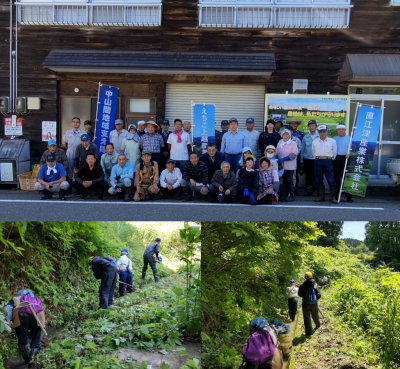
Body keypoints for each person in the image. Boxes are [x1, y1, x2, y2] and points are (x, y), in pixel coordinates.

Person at [3, 289, 45, 365]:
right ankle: (31, 362)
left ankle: (26, 361)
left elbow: (7, 309)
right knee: (36, 341)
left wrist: (9, 320)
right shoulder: (34, 299)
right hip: (38, 316)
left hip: (21, 316)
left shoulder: (15, 299)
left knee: (23, 341)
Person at [312, 124, 338, 204]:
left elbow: (334, 153)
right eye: (321, 132)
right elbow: (313, 152)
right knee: (318, 179)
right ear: (318, 133)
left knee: (330, 179)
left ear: (327, 132)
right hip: (318, 161)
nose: (322, 133)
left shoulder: (332, 141)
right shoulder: (315, 141)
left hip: (328, 161)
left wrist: (329, 159)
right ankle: (321, 196)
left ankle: (332, 197)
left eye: (324, 132)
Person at [276, 129, 298, 202]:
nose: (285, 136)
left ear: (290, 135)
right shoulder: (280, 143)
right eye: (284, 135)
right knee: (282, 180)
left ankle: (292, 195)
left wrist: (284, 159)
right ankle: (283, 195)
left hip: (290, 165)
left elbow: (294, 154)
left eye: (287, 134)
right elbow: (276, 152)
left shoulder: (293, 143)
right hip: (281, 166)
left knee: (289, 179)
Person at [333, 124, 353, 202]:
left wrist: (350, 153)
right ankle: (336, 195)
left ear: (345, 130)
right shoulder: (334, 139)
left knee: (347, 178)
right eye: (339, 129)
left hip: (346, 159)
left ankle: (349, 196)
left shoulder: (350, 139)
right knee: (336, 178)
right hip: (336, 159)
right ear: (337, 130)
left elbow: (354, 149)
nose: (341, 130)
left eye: (342, 129)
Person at [300, 120, 319, 196]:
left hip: (316, 159)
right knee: (308, 176)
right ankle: (309, 191)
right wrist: (301, 161)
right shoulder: (305, 137)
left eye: (313, 125)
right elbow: (302, 149)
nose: (311, 127)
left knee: (316, 175)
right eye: (310, 126)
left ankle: (318, 191)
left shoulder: (319, 136)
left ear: (316, 127)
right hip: (307, 159)